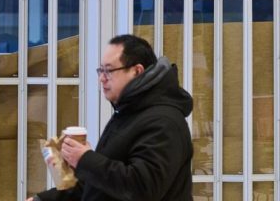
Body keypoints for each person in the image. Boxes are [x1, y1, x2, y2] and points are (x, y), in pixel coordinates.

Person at [28, 34, 193, 200]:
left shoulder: (164, 122)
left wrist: (85, 159)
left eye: (109, 70)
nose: (101, 78)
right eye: (101, 70)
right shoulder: (128, 113)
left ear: (137, 71)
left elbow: (142, 188)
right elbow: (99, 185)